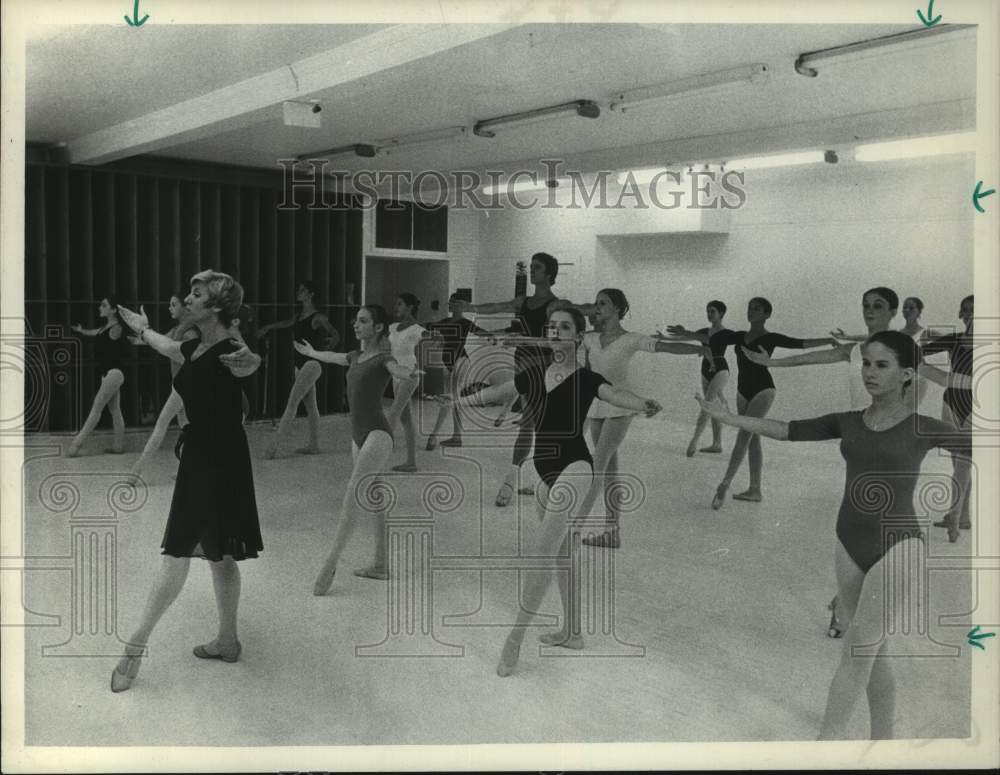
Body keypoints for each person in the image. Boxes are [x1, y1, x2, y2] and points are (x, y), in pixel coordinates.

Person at [696, 331, 964, 740]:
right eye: (866, 363)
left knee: (858, 649)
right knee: (874, 651)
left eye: (881, 365)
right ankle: (883, 742)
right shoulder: (849, 421)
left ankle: (827, 742)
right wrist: (731, 419)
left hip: (900, 545)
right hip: (848, 541)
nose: (869, 372)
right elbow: (786, 429)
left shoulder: (923, 427)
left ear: (908, 374)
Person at [110, 271, 263, 693]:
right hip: (204, 457)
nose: (187, 299)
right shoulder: (196, 345)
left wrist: (254, 360)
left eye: (196, 294)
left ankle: (134, 648)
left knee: (177, 553)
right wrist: (142, 330)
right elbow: (168, 346)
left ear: (214, 307)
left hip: (219, 460)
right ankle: (228, 642)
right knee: (221, 554)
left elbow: (249, 362)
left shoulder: (232, 349)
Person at [487, 306, 661, 676]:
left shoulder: (585, 378)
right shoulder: (535, 374)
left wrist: (643, 403)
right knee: (562, 554)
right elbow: (500, 390)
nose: (555, 330)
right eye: (551, 326)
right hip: (541, 471)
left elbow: (615, 395)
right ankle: (572, 632)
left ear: (577, 337)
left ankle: (514, 639)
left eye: (564, 326)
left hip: (575, 468)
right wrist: (458, 401)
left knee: (543, 553)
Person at [740, 287, 905, 636]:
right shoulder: (857, 350)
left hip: (894, 443)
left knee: (880, 525)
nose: (869, 310)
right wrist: (771, 362)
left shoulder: (903, 351)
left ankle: (845, 598)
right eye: (865, 305)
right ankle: (845, 599)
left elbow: (932, 383)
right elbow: (809, 359)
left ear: (893, 311)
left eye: (878, 306)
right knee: (865, 523)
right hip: (861, 442)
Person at [296, 305, 422, 593]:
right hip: (358, 437)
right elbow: (333, 356)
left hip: (378, 434)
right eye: (356, 320)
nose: (356, 325)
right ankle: (380, 565)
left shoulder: (383, 358)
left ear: (378, 327)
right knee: (375, 499)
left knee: (354, 493)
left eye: (363, 321)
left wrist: (409, 372)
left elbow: (399, 370)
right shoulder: (355, 356)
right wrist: (311, 353)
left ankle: (330, 563)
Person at [667, 297, 837, 509]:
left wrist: (828, 341)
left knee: (743, 435)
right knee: (752, 437)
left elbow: (800, 343)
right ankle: (755, 489)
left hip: (763, 389)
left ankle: (724, 485)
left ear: (767, 314)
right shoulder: (738, 336)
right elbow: (713, 338)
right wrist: (686, 334)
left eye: (757, 309)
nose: (751, 311)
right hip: (742, 392)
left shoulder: (771, 338)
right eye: (750, 308)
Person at [573, 289, 704, 549]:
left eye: (603, 304)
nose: (596, 308)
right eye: (596, 303)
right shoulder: (589, 338)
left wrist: (700, 349)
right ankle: (612, 532)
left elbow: (664, 347)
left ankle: (573, 530)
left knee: (596, 468)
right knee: (609, 472)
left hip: (621, 406)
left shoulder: (631, 339)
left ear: (618, 309)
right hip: (598, 405)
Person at [457, 253, 561, 507]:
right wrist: (471, 309)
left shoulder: (554, 306)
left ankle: (521, 481)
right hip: (523, 365)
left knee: (536, 426)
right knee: (529, 425)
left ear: (549, 274)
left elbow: (554, 340)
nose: (533, 271)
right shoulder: (523, 301)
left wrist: (520, 340)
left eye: (537, 267)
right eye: (532, 267)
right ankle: (527, 479)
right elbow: (498, 307)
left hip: (544, 368)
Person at [258, 281, 339, 459]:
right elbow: (286, 323)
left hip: (312, 364)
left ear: (311, 294)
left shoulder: (319, 317)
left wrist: (323, 352)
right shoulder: (299, 315)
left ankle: (274, 445)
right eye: (299, 290)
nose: (298, 292)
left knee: (292, 402)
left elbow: (335, 335)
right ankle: (314, 445)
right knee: (311, 406)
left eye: (302, 290)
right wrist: (268, 327)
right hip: (300, 365)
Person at [920, 294, 975, 542]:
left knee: (963, 462)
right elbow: (915, 353)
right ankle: (962, 516)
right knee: (958, 463)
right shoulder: (953, 340)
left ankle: (954, 516)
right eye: (966, 310)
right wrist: (940, 377)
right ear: (961, 314)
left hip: (977, 406)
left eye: (975, 310)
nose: (970, 315)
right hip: (951, 402)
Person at [129, 293, 199, 480]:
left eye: (174, 304)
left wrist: (144, 331)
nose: (170, 308)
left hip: (186, 386)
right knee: (186, 426)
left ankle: (136, 470)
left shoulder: (190, 333)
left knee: (162, 424)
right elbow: (157, 342)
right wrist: (140, 332)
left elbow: (172, 349)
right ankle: (188, 469)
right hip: (181, 385)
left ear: (185, 307)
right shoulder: (177, 329)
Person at [422, 293, 496, 450]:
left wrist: (496, 338)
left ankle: (434, 436)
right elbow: (427, 326)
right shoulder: (445, 322)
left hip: (461, 361)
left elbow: (482, 333)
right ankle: (456, 437)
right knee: (452, 400)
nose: (451, 304)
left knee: (449, 399)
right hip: (447, 364)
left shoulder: (465, 323)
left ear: (462, 306)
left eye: (455, 302)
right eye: (450, 301)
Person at [67, 296, 130, 456]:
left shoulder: (117, 327)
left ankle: (75, 446)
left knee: (96, 408)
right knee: (115, 410)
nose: (100, 308)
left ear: (113, 310)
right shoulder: (105, 327)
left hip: (114, 372)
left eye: (104, 305)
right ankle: (118, 447)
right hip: (108, 373)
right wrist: (81, 330)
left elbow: (124, 336)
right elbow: (95, 332)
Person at [685, 300, 732, 457]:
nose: (709, 314)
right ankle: (717, 444)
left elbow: (710, 342)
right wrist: (664, 337)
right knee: (713, 406)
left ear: (721, 314)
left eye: (712, 311)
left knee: (707, 404)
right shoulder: (704, 331)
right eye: (707, 311)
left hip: (720, 369)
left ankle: (693, 442)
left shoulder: (725, 333)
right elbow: (685, 337)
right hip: (705, 369)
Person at [387, 293, 427, 472]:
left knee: (394, 412)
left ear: (410, 307)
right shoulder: (394, 327)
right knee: (406, 418)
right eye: (396, 304)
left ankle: (377, 453)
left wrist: (436, 336)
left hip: (410, 374)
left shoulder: (416, 328)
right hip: (396, 374)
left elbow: (426, 334)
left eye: (400, 304)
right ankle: (411, 462)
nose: (396, 307)